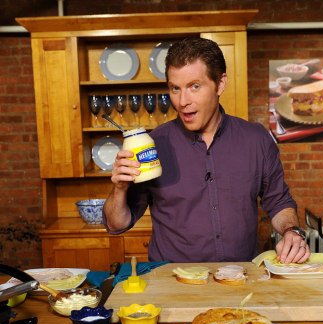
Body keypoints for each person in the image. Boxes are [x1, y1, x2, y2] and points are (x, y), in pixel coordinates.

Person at [103, 37, 310, 264]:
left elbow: (279, 202)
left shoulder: (256, 140)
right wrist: (119, 188)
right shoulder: (153, 145)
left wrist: (292, 231)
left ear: (220, 84)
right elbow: (117, 224)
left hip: (239, 278)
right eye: (175, 88)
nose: (183, 101)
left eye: (195, 86)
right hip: (174, 283)